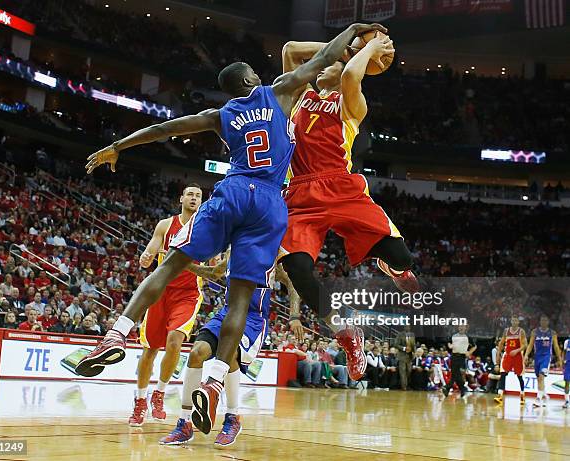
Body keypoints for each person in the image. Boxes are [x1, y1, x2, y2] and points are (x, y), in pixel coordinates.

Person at [76, 22, 378, 434]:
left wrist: (118, 146)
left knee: (167, 268)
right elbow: (325, 59)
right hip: (270, 202)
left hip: (232, 191)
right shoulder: (281, 91)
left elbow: (165, 128)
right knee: (240, 300)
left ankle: (115, 334)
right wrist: (356, 30)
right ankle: (217, 382)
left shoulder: (220, 115)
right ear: (253, 80)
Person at [278, 26, 411, 382]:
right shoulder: (301, 95)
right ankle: (345, 333)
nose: (320, 66)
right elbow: (291, 50)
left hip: (341, 185)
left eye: (329, 64)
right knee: (298, 271)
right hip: (301, 195)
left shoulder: (352, 102)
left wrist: (358, 54)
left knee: (403, 258)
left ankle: (391, 266)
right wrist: (345, 48)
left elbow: (353, 73)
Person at [162, 257, 287, 446]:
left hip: (252, 319)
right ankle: (184, 423)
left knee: (231, 356)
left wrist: (294, 315)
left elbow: (293, 282)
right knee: (196, 352)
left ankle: (232, 417)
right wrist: (185, 264)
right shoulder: (233, 250)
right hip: (226, 313)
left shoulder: (271, 253)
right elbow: (214, 273)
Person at [128, 184, 204, 427]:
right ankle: (140, 400)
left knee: (175, 340)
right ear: (181, 198)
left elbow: (212, 266)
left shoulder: (207, 227)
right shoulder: (165, 224)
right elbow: (151, 249)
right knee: (150, 349)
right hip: (160, 291)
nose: (194, 198)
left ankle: (159, 393)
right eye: (190, 194)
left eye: (198, 196)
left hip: (188, 293)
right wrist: (146, 256)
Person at [524, 315, 563, 407]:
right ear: (540, 322)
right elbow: (530, 345)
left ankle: (538, 399)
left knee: (541, 376)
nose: (544, 322)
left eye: (545, 320)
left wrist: (559, 358)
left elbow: (556, 347)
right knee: (539, 379)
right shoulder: (535, 332)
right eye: (542, 320)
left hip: (546, 357)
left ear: (548, 322)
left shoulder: (552, 333)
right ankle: (544, 396)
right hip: (537, 357)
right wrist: (526, 355)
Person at [495, 315, 527, 405]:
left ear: (518, 322)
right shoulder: (506, 331)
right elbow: (501, 343)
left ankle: (522, 395)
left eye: (516, 320)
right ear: (511, 321)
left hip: (517, 356)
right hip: (508, 354)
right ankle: (500, 395)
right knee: (503, 374)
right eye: (513, 320)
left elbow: (525, 345)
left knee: (519, 376)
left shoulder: (521, 331)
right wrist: (498, 354)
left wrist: (517, 351)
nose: (514, 322)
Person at [442, 324, 476, 398]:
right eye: (460, 326)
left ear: (465, 328)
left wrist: (469, 352)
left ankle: (448, 387)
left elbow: (474, 346)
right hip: (454, 356)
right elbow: (449, 342)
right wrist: (449, 345)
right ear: (458, 327)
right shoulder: (454, 336)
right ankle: (462, 389)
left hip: (462, 357)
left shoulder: (468, 337)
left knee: (456, 374)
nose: (461, 328)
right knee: (455, 374)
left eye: (463, 326)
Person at [394, 325, 415, 391]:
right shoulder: (400, 334)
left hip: (409, 356)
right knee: (402, 371)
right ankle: (404, 387)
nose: (408, 328)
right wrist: (404, 348)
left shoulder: (412, 334)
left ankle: (406, 384)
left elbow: (413, 344)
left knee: (409, 371)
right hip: (402, 356)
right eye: (406, 327)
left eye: (409, 327)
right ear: (404, 327)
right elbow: (396, 344)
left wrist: (414, 351)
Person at [562, 337, 569, 409]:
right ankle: (567, 400)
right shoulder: (567, 342)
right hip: (568, 365)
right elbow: (564, 352)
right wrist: (562, 361)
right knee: (567, 382)